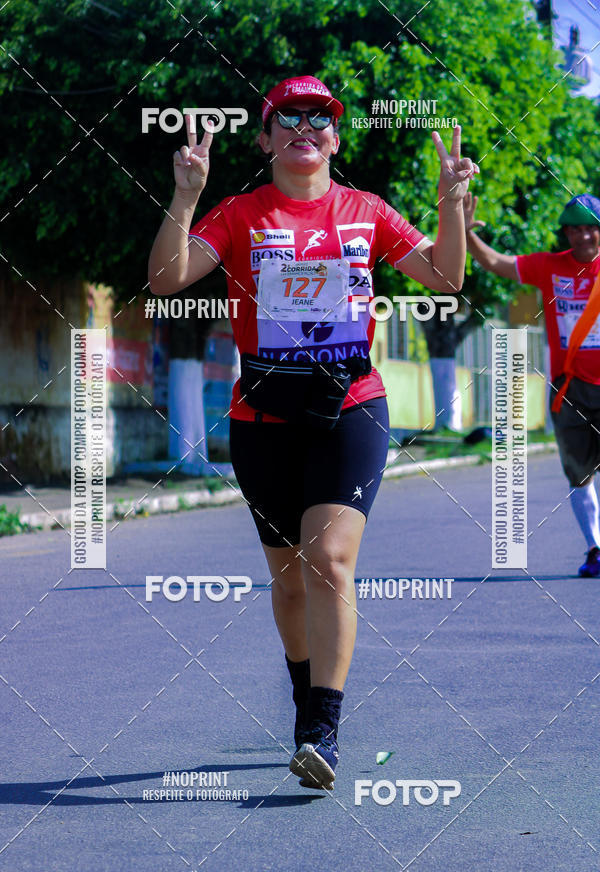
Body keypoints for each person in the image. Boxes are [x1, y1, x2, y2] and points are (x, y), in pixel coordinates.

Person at [149, 75, 478, 790]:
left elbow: (446, 277)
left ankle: (323, 729)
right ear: (265, 138)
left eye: (320, 117)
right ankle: (304, 700)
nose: (305, 126)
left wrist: (452, 205)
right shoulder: (240, 214)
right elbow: (167, 279)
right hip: (262, 418)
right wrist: (186, 196)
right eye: (288, 116)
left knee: (328, 560)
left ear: (335, 139)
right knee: (290, 581)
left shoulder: (366, 210)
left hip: (350, 407)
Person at [463, 191, 600, 577]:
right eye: (575, 229)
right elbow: (494, 262)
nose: (584, 236)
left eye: (591, 228)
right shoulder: (549, 267)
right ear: (566, 233)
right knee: (579, 474)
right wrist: (466, 233)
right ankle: (595, 549)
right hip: (569, 390)